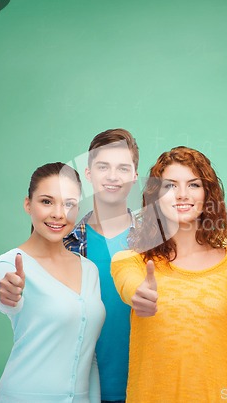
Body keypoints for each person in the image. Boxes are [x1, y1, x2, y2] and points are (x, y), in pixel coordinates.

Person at [111, 146, 227, 403]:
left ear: (207, 195)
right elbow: (130, 284)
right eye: (170, 186)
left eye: (193, 185)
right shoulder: (132, 262)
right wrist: (139, 294)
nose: (182, 195)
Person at [0, 162, 105, 402]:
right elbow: (7, 300)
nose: (58, 213)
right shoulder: (9, 264)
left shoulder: (90, 270)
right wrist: (9, 295)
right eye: (46, 201)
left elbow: (88, 352)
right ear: (27, 204)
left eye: (69, 204)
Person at [64, 129, 139, 403]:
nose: (112, 176)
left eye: (122, 168)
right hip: (80, 390)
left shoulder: (158, 245)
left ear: (135, 176)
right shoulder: (65, 243)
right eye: (103, 166)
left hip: (145, 388)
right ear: (88, 174)